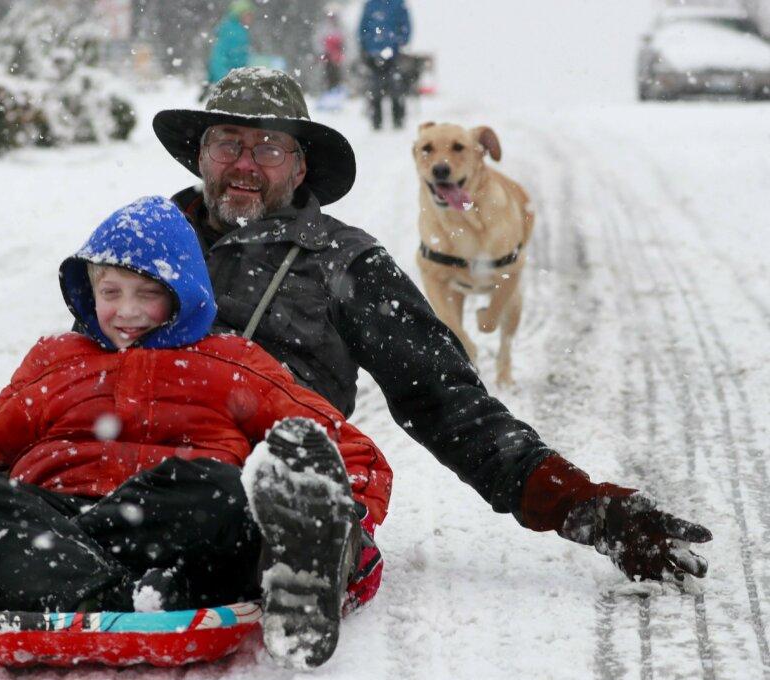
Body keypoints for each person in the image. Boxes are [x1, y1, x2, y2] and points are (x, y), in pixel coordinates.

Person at [151, 67, 713, 595]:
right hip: (139, 471)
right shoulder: (148, 247)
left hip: (273, 478)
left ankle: (309, 555)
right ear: (200, 155)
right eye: (227, 143)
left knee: (241, 518)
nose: (244, 164)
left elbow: (448, 403)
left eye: (269, 148)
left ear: (300, 168)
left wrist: (583, 506)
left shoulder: (346, 263)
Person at [0, 196, 392, 669]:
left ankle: (303, 560)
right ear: (88, 289)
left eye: (148, 294)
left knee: (219, 487)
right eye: (111, 292)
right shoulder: (55, 359)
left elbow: (349, 451)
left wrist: (344, 518)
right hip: (53, 522)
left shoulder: (232, 360)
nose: (126, 311)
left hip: (165, 526)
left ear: (185, 293)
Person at [358, 0, 412, 129]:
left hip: (393, 53)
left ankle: (398, 120)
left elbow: (406, 26)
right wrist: (365, 46)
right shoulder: (370, 5)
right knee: (375, 89)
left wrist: (400, 42)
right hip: (373, 54)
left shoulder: (399, 4)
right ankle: (377, 121)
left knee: (396, 87)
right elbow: (362, 27)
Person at [206, 0, 254, 93]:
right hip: (230, 82)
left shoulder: (240, 31)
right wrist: (225, 79)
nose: (251, 18)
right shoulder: (232, 32)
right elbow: (218, 58)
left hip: (235, 81)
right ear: (239, 14)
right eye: (248, 14)